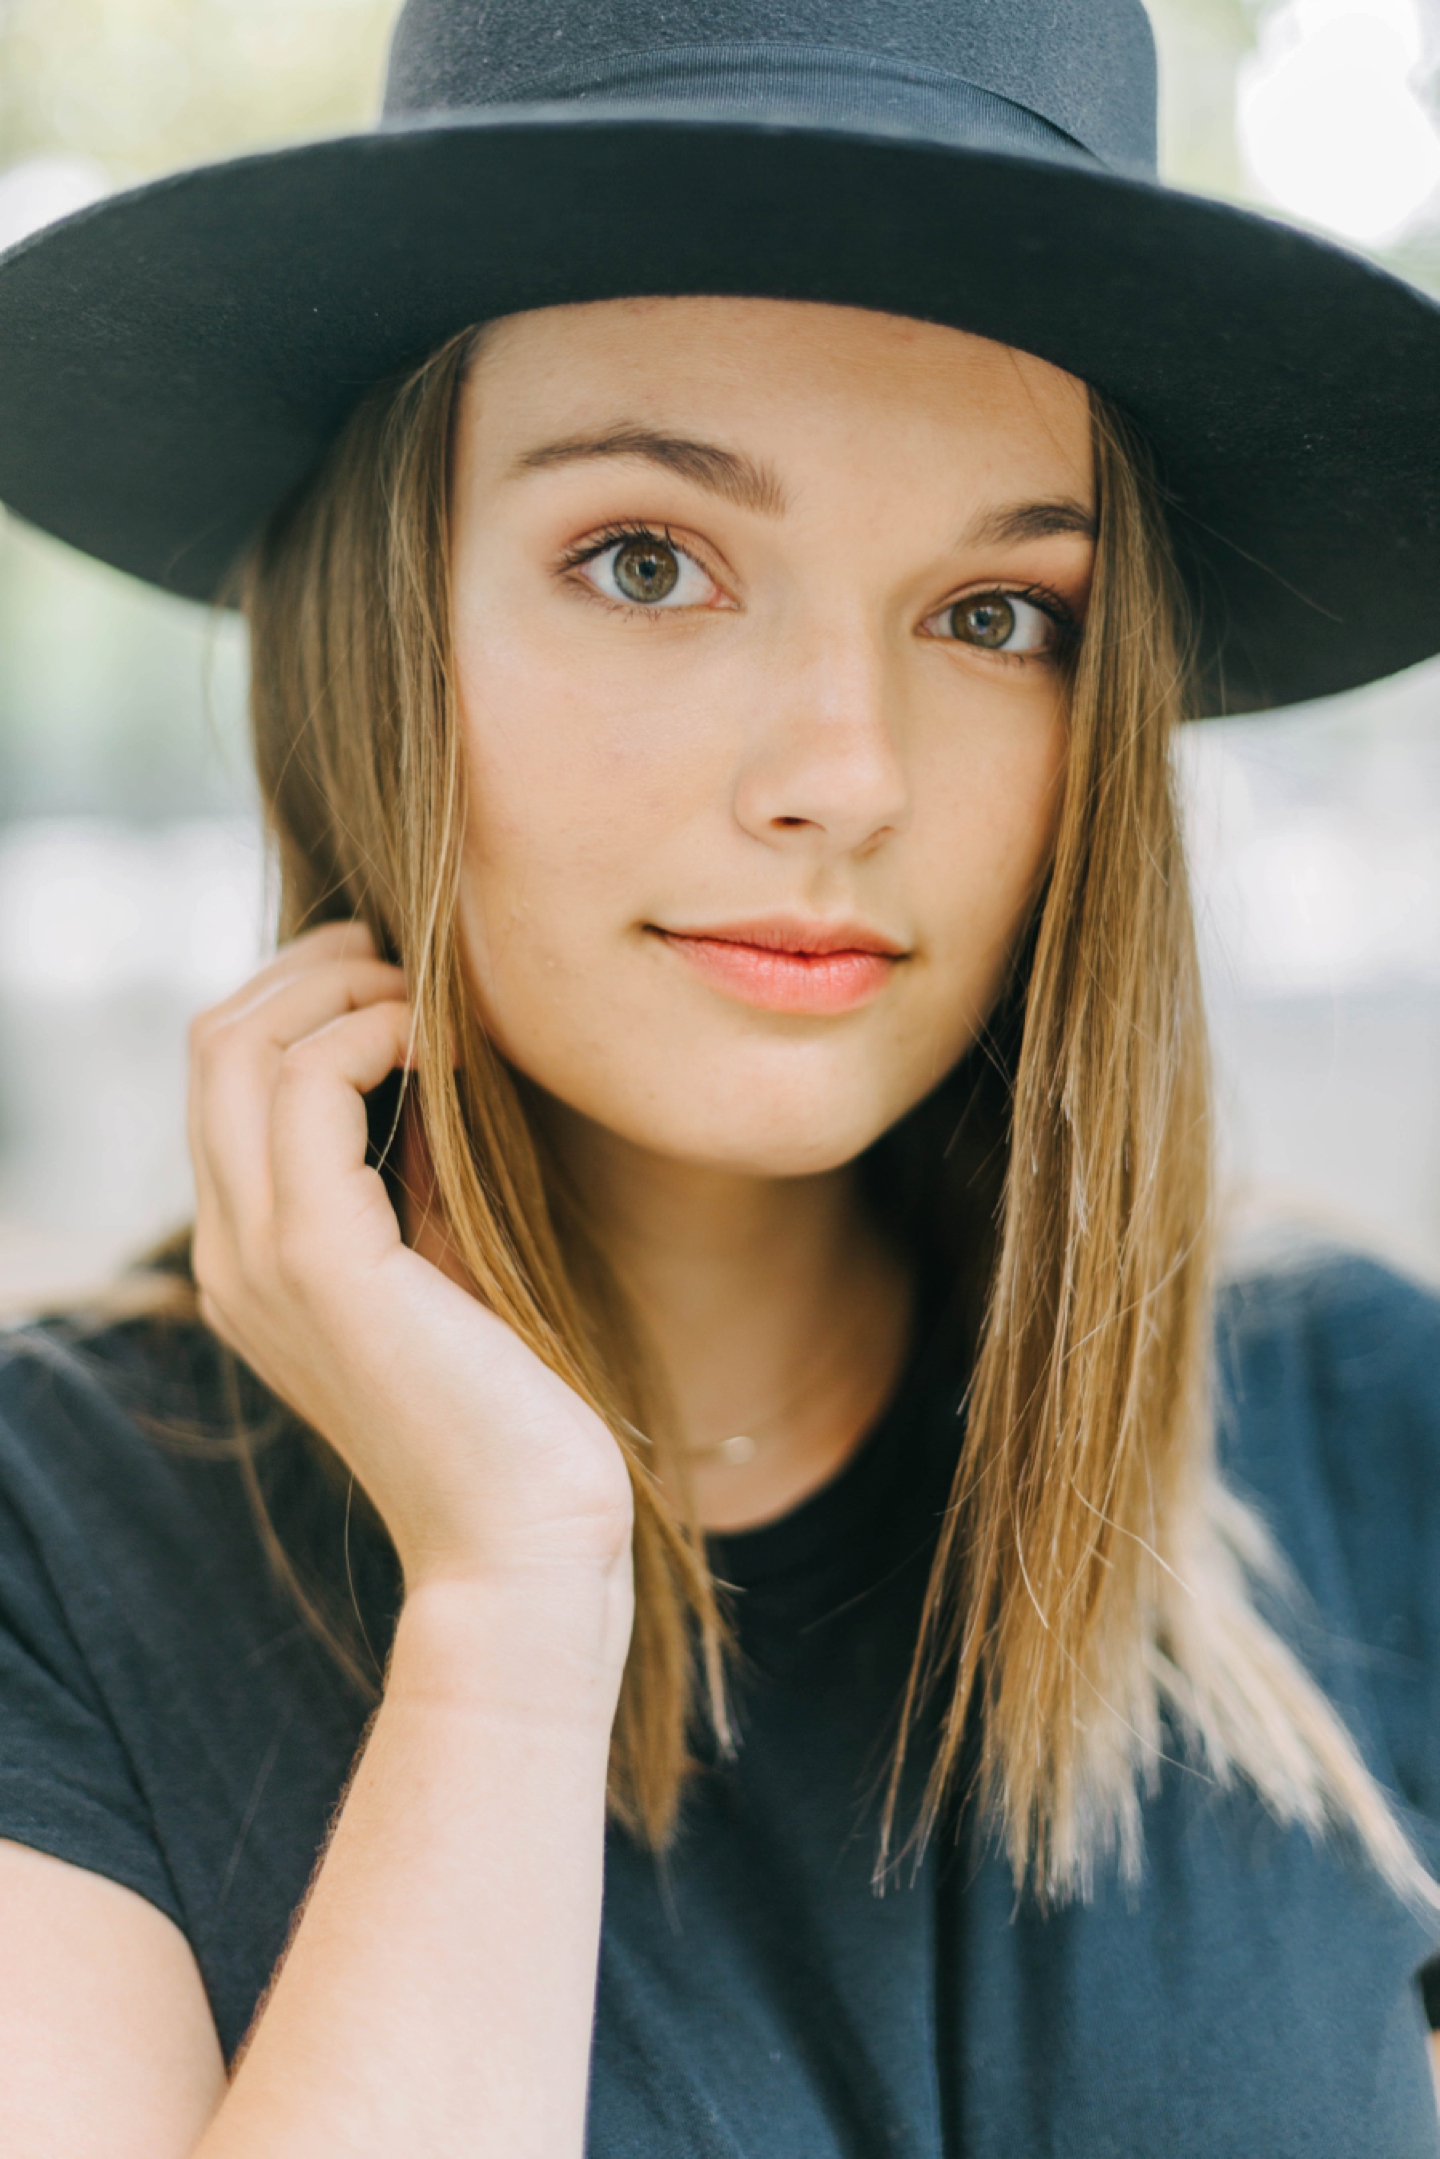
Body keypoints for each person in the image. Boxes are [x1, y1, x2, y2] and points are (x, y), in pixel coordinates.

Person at [1, 0, 1440, 2151]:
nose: (842, 779)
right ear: (378, 625)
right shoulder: (49, 1555)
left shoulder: (1356, 1424)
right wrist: (506, 1602)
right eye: (649, 563)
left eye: (996, 614)